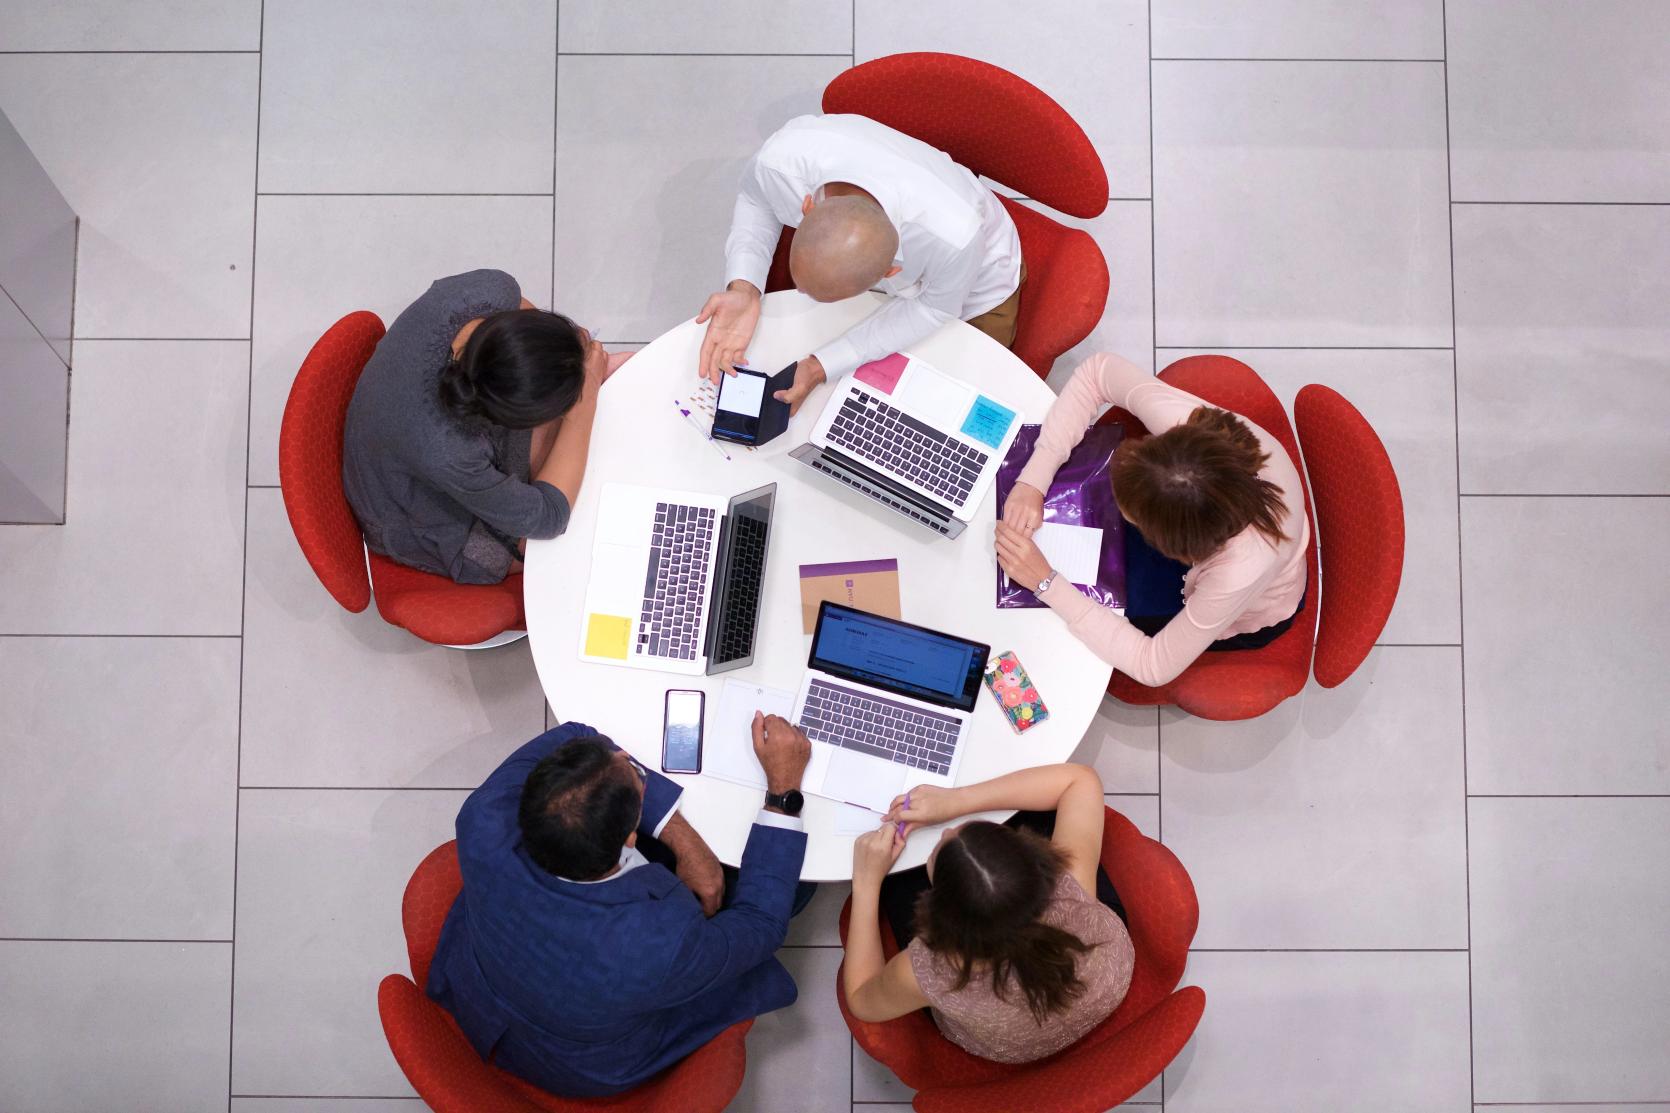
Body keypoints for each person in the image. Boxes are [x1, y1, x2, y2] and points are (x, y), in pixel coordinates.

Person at [427, 713, 815, 1098]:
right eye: (638, 778)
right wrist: (783, 792)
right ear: (630, 839)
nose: (627, 755)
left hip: (487, 985)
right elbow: (762, 923)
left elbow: (576, 734)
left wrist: (682, 837)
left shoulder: (484, 817)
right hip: (577, 1060)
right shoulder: (658, 945)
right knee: (798, 890)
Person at [994, 351, 1309, 687]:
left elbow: (1153, 666)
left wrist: (1046, 583)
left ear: (1173, 546)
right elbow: (1097, 370)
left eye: (1134, 518)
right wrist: (1033, 480)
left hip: (1245, 601)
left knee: (1082, 621)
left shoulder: (1238, 572)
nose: (1124, 515)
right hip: (1210, 530)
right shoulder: (1189, 438)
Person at [694, 114, 1024, 413]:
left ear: (892, 271)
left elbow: (933, 309)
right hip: (910, 259)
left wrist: (823, 363)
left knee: (944, 404)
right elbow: (756, 198)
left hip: (977, 286)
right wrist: (745, 285)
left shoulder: (955, 236)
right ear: (807, 206)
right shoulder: (781, 161)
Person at [342, 269, 631, 585]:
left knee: (574, 443)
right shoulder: (450, 450)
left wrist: (574, 357)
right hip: (406, 506)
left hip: (414, 434)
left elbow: (530, 322)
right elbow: (549, 516)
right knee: (562, 537)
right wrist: (585, 397)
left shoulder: (487, 291)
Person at [841, 763, 1133, 1065]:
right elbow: (1080, 780)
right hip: (1103, 985)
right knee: (1037, 811)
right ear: (1038, 864)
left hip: (1015, 1045)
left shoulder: (930, 971)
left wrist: (866, 882)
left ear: (941, 917)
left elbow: (862, 999)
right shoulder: (1072, 886)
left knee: (899, 879)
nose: (947, 831)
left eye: (940, 848)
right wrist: (957, 800)